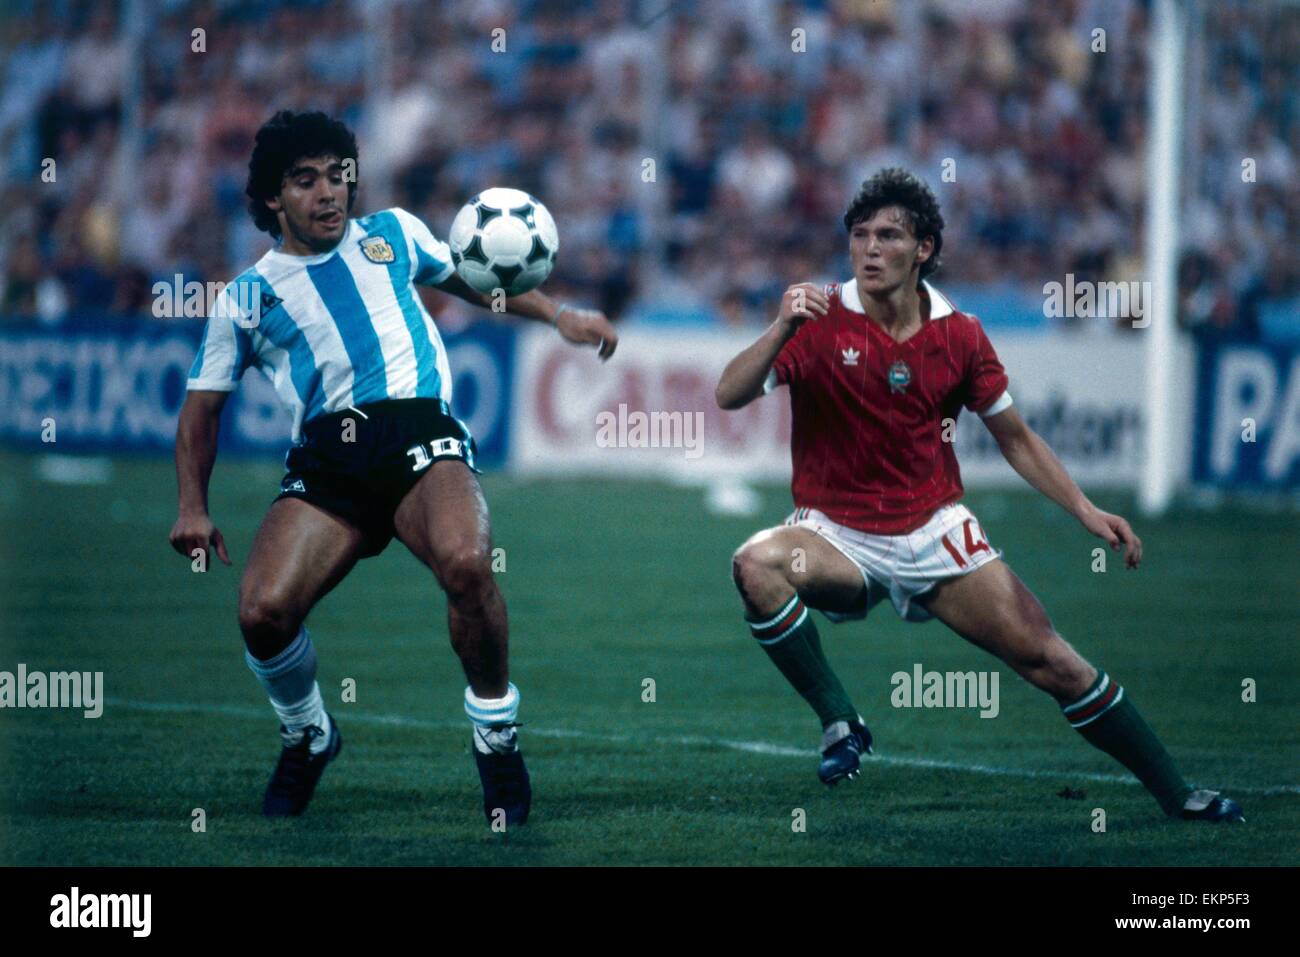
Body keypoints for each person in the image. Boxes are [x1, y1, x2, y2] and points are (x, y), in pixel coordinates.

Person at [715, 167, 1242, 823]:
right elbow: (729, 393)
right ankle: (839, 721)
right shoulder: (819, 318)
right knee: (755, 563)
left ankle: (1177, 793)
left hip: (933, 531)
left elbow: (1016, 438)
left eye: (888, 236)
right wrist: (778, 328)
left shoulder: (960, 334)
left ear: (925, 248)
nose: (870, 249)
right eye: (859, 236)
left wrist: (1086, 509)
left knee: (1055, 662)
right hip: (833, 536)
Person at [169, 110, 618, 825]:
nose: (328, 193)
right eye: (305, 180)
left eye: (338, 175)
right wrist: (193, 505)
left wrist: (558, 314)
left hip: (417, 429)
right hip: (328, 459)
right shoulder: (247, 298)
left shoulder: (395, 234)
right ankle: (309, 732)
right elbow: (201, 411)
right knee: (262, 613)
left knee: (468, 563)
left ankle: (496, 736)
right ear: (272, 199)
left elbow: (476, 278)